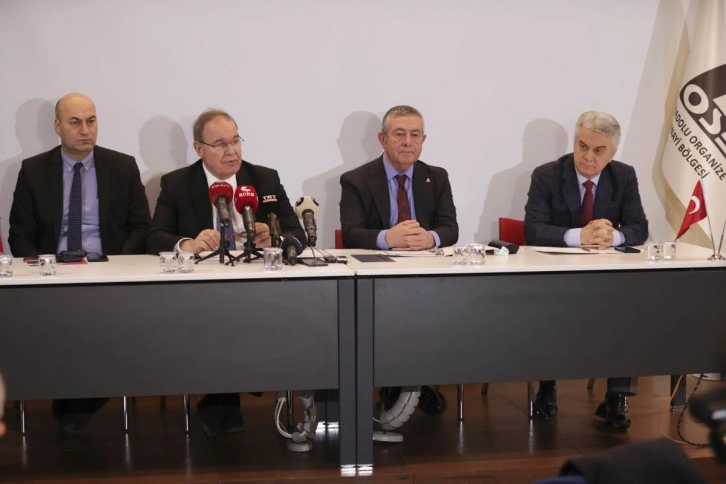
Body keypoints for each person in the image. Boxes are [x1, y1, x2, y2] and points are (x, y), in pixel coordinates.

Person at [146, 108, 305, 436]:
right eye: (220, 144)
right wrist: (188, 243)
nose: (231, 151)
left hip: (259, 287)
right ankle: (225, 397)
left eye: (236, 141)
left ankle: (225, 398)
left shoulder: (264, 179)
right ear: (199, 148)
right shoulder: (177, 184)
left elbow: (296, 234)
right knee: (223, 317)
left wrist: (275, 237)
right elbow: (155, 237)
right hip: (202, 291)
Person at [8, 92, 151, 433]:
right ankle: (77, 398)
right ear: (57, 127)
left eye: (91, 120)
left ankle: (77, 401)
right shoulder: (33, 170)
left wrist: (117, 267)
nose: (86, 130)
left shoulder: (122, 166)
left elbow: (141, 227)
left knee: (112, 326)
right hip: (53, 273)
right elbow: (20, 235)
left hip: (108, 271)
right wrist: (43, 269)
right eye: (75, 122)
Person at [523, 110, 648, 429]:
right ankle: (547, 388)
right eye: (582, 146)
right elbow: (533, 229)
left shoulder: (624, 175)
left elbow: (639, 227)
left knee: (630, 308)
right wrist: (580, 236)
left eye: (598, 150)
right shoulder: (547, 175)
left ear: (612, 152)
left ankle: (617, 398)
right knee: (547, 309)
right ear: (575, 142)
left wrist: (612, 236)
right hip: (556, 276)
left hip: (606, 278)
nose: (588, 156)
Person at [339, 105, 458, 415]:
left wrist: (430, 238)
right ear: (383, 139)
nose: (408, 142)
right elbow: (351, 233)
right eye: (399, 134)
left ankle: (418, 382)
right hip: (379, 279)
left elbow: (450, 228)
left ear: (423, 140)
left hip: (427, 276)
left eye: (415, 135)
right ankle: (399, 386)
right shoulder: (356, 180)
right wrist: (388, 238)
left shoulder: (436, 177)